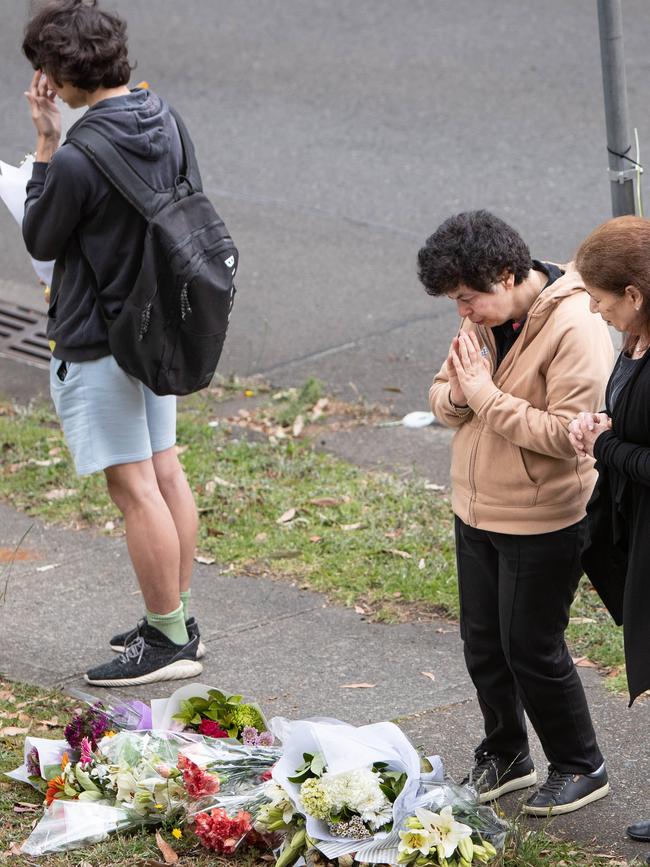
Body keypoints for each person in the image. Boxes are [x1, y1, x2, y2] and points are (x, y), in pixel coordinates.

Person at [21, 0, 205, 686]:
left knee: (134, 487)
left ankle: (166, 640)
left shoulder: (76, 158)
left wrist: (45, 142)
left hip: (99, 335)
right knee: (164, 468)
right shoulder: (163, 115)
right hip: (160, 327)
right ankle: (178, 617)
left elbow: (40, 236)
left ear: (61, 77)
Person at [419, 210, 613, 815]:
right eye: (453, 300)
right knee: (482, 641)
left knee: (531, 647)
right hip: (476, 505)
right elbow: (443, 392)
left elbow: (567, 435)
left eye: (467, 297)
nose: (462, 312)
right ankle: (506, 753)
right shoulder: (487, 316)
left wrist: (482, 395)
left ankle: (582, 764)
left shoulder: (576, 326)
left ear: (507, 274)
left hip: (543, 515)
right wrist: (456, 395)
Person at [568, 215, 650, 846]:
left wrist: (606, 444)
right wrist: (604, 423)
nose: (594, 312)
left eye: (599, 299)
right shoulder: (635, 342)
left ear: (634, 294)